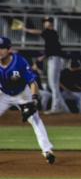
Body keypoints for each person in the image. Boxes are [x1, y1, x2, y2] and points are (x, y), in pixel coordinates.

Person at [0, 36, 56, 164]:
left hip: (22, 94)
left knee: (35, 119)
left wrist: (34, 99)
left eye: (2, 48)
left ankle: (47, 151)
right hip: (4, 94)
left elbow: (32, 82)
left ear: (9, 50)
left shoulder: (19, 62)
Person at [20, 16, 70, 114]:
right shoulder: (51, 34)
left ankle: (56, 108)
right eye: (45, 22)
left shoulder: (50, 32)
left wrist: (25, 29)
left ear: (51, 23)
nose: (45, 23)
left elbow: (37, 32)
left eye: (47, 21)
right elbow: (51, 48)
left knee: (53, 85)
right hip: (55, 59)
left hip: (54, 60)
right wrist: (43, 56)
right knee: (54, 85)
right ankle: (64, 108)